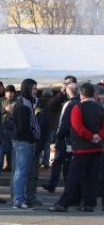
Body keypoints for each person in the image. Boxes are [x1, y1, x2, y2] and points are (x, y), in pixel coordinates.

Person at [49, 83, 104, 212]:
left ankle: (64, 203)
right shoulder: (100, 108)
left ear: (82, 94)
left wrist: (90, 136)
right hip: (97, 148)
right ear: (93, 94)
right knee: (92, 177)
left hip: (81, 148)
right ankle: (89, 203)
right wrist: (98, 137)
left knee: (73, 176)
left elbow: (77, 126)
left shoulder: (78, 107)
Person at [43, 82, 80, 193]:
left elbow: (64, 122)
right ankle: (58, 186)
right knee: (62, 162)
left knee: (63, 162)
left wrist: (59, 135)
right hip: (74, 138)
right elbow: (52, 105)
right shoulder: (78, 102)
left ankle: (66, 188)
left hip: (66, 138)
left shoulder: (69, 104)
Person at [11, 79, 40, 209]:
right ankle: (18, 199)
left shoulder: (27, 102)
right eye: (33, 89)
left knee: (22, 171)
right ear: (27, 89)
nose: (35, 91)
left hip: (24, 141)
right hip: (23, 142)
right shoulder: (23, 104)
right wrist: (32, 138)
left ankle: (20, 198)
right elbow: (23, 127)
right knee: (21, 171)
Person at [0, 85, 17, 173]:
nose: (9, 94)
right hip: (2, 128)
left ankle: (9, 166)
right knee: (2, 149)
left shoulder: (17, 101)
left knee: (11, 149)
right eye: (8, 92)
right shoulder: (0, 101)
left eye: (11, 92)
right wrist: (5, 109)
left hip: (13, 128)